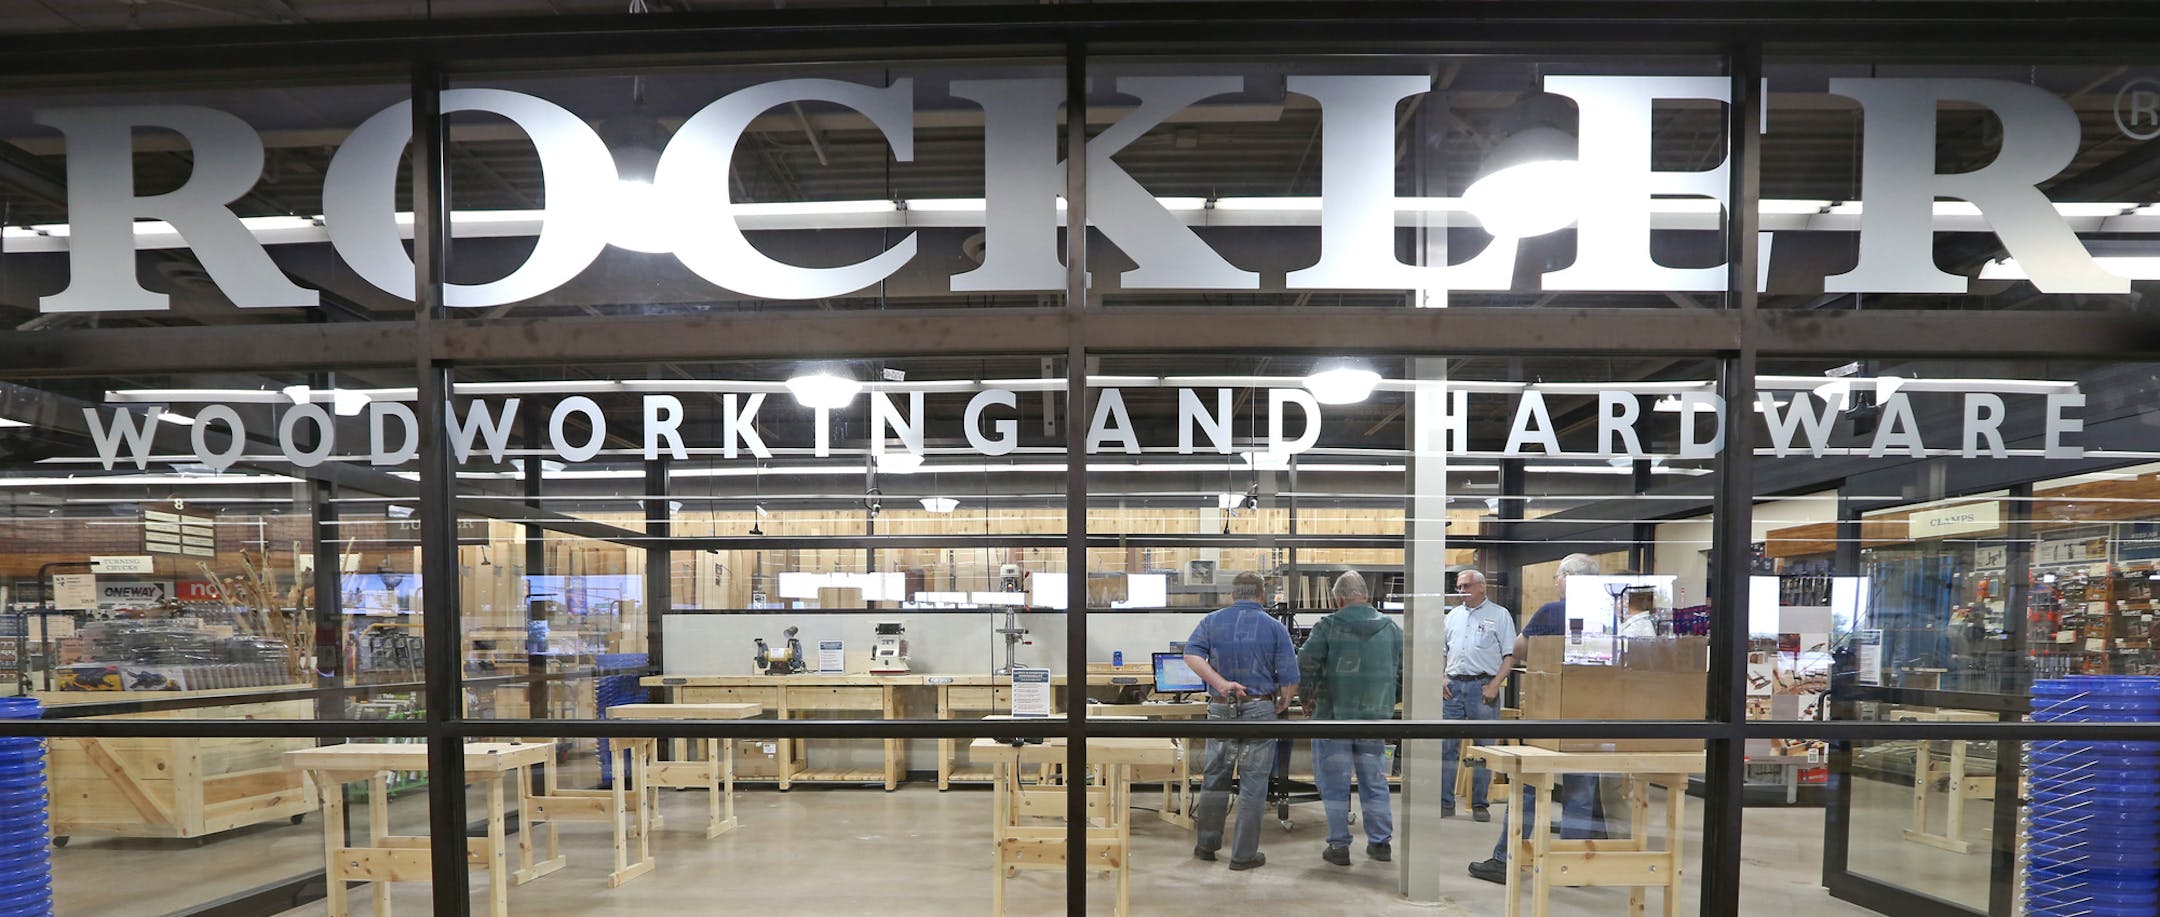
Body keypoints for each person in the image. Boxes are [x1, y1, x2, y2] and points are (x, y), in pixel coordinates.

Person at [1469, 553, 1612, 884]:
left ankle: (1506, 860)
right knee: (1579, 793)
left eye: (1557, 576)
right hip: (1592, 716)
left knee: (1529, 788)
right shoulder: (1608, 614)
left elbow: (1519, 649)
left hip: (1551, 714)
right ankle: (1574, 868)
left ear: (1568, 578)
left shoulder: (1552, 612)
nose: (1556, 582)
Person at [1183, 571, 1299, 871]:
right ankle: (1243, 855)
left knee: (1215, 778)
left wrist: (1220, 684)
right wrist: (1283, 701)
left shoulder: (1211, 622)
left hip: (1222, 708)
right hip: (1260, 709)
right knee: (1254, 783)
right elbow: (1289, 678)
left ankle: (1207, 846)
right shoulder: (1275, 628)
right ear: (1261, 595)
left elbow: (1191, 655)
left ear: (1233, 595)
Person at [1297, 571, 1402, 867]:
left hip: (1333, 719)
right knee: (1375, 781)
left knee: (1334, 783)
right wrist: (1384, 700)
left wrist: (1307, 698)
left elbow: (1305, 665)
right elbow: (1403, 674)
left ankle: (1339, 846)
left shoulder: (1328, 626)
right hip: (1375, 720)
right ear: (1366, 596)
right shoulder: (1392, 629)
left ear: (1338, 599)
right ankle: (1381, 844)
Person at [1440, 569, 1513, 822]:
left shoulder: (1499, 615)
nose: (1461, 591)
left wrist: (1495, 685)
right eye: (1459, 587)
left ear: (1482, 587)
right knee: (1445, 747)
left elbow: (1510, 656)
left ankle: (1480, 803)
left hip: (1482, 687)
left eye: (1466, 586)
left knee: (1484, 748)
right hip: (1453, 689)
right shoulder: (1452, 616)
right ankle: (1444, 802)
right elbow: (1442, 649)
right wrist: (1442, 676)